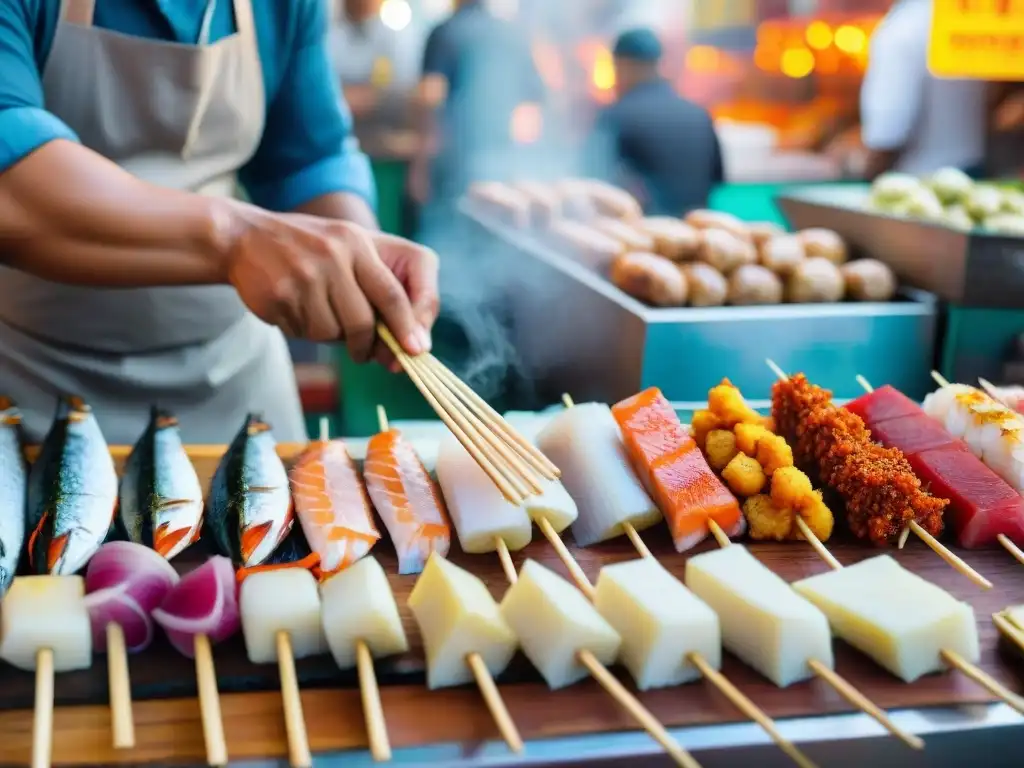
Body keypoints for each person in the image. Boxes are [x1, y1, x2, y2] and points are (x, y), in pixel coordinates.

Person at [0, 0, 440, 444]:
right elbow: (12, 187)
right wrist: (236, 239)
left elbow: (307, 159)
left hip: (236, 386)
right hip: (30, 385)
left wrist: (359, 254)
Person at [407, 0, 545, 222]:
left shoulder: (446, 32)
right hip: (501, 161)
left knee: (445, 232)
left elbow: (429, 97)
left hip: (453, 163)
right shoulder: (513, 34)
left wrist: (420, 166)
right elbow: (532, 106)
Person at [584, 28, 724, 216]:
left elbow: (594, 181)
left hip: (644, 237)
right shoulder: (699, 114)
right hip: (699, 234)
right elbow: (717, 179)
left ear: (624, 65)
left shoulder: (616, 116)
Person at [859, 0, 988, 179]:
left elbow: (888, 130)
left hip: (922, 180)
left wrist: (865, 176)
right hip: (974, 170)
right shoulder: (970, 18)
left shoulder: (902, 29)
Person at [329, 0, 423, 117]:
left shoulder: (395, 33)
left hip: (384, 122)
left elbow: (404, 87)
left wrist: (367, 97)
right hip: (338, 119)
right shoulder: (329, 34)